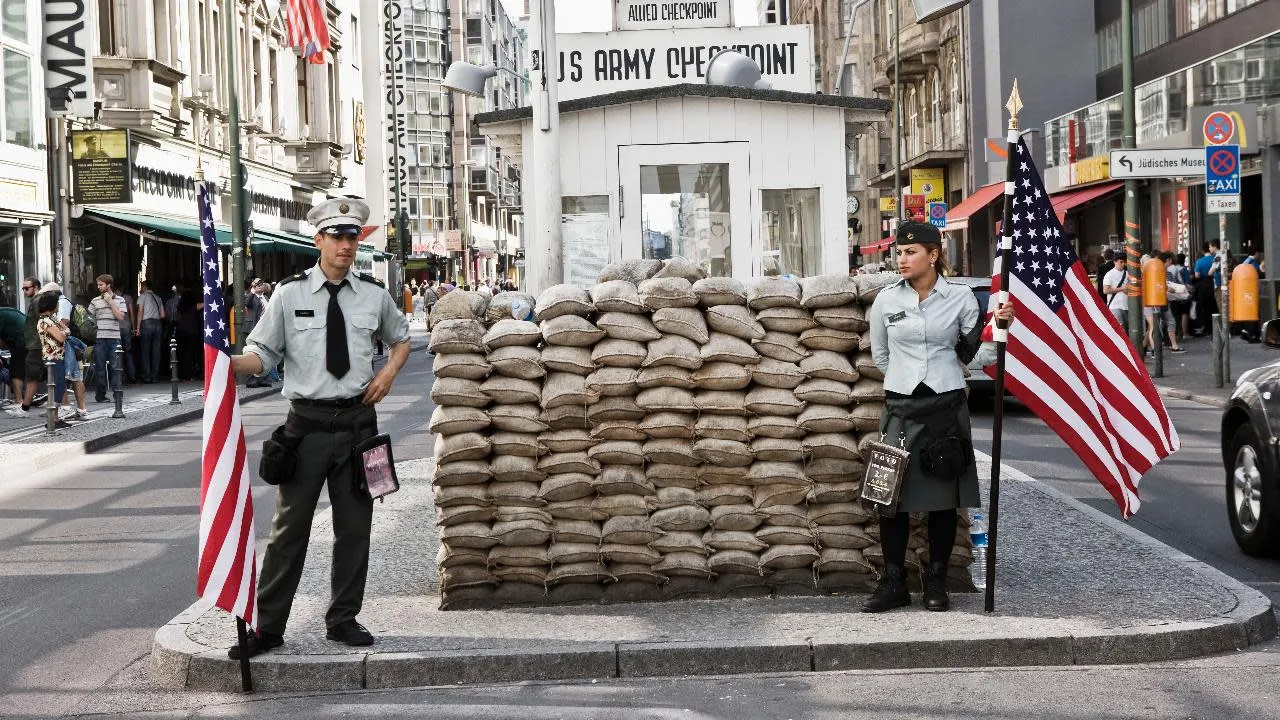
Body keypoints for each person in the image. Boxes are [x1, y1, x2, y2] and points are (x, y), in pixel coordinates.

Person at [228, 198, 411, 658]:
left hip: (358, 427)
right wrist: (224, 366)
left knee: (355, 529)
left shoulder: (373, 294)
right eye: (338, 237)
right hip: (306, 428)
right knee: (290, 529)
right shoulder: (288, 295)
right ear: (319, 241)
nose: (346, 245)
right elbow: (263, 356)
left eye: (353, 237)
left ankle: (343, 618)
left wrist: (388, 373)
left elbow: (402, 338)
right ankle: (269, 627)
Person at [864, 221, 1014, 613]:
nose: (902, 259)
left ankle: (936, 581)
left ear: (934, 255)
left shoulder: (960, 299)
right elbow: (881, 356)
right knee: (889, 499)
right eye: (898, 253)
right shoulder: (885, 301)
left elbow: (973, 356)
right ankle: (893, 582)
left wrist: (999, 330)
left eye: (911, 252)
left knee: (944, 502)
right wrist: (908, 380)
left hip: (946, 411)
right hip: (900, 409)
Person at [42, 283, 89, 419]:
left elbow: (64, 323)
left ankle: (75, 409)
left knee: (71, 375)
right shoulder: (62, 302)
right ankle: (69, 407)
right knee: (68, 375)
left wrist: (57, 332)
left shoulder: (62, 303)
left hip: (66, 344)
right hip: (66, 343)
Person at [7, 278, 45, 415]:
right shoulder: (37, 301)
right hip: (35, 344)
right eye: (23, 288)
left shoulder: (37, 301)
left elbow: (44, 321)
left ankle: (24, 408)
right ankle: (26, 407)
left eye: (26, 288)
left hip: (36, 344)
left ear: (35, 287)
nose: (24, 291)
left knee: (32, 376)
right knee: (38, 376)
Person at [34, 292, 72, 429]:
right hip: (52, 358)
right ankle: (52, 419)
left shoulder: (53, 319)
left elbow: (66, 330)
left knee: (60, 386)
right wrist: (65, 333)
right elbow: (61, 337)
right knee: (57, 387)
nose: (58, 306)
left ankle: (55, 418)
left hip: (58, 356)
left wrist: (65, 332)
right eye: (56, 304)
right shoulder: (45, 321)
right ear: (51, 305)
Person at [88, 274, 128, 402]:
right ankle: (100, 396)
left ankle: (117, 395)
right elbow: (89, 319)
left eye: (101, 284)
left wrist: (110, 302)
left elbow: (121, 317)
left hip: (114, 338)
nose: (98, 287)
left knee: (116, 368)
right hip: (100, 338)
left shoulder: (120, 300)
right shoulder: (95, 301)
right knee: (100, 368)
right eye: (98, 284)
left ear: (109, 285)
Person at [135, 280, 166, 383]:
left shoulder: (142, 297)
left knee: (145, 351)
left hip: (147, 323)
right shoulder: (158, 298)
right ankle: (155, 376)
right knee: (156, 351)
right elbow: (163, 315)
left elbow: (140, 312)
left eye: (142, 286)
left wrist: (138, 328)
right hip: (158, 324)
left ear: (144, 287)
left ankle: (147, 376)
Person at [0, 305, 28, 410]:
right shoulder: (6, 311)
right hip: (29, 339)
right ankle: (27, 398)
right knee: (18, 369)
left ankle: (19, 401)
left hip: (21, 341)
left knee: (16, 371)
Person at [1192, 242, 1220, 336]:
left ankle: (1207, 328)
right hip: (1215, 284)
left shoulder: (1199, 261)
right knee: (1215, 306)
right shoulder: (1215, 258)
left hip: (1204, 285)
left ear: (1203, 250)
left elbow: (1197, 275)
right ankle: (1217, 327)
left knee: (1205, 307)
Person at [1101, 253, 1130, 330]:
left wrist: (1127, 290)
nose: (1123, 264)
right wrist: (1122, 288)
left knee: (1126, 329)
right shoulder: (1109, 274)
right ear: (1115, 262)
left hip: (1126, 305)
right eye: (1121, 262)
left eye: (1124, 262)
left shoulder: (1127, 273)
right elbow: (1105, 290)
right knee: (1120, 329)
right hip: (1115, 306)